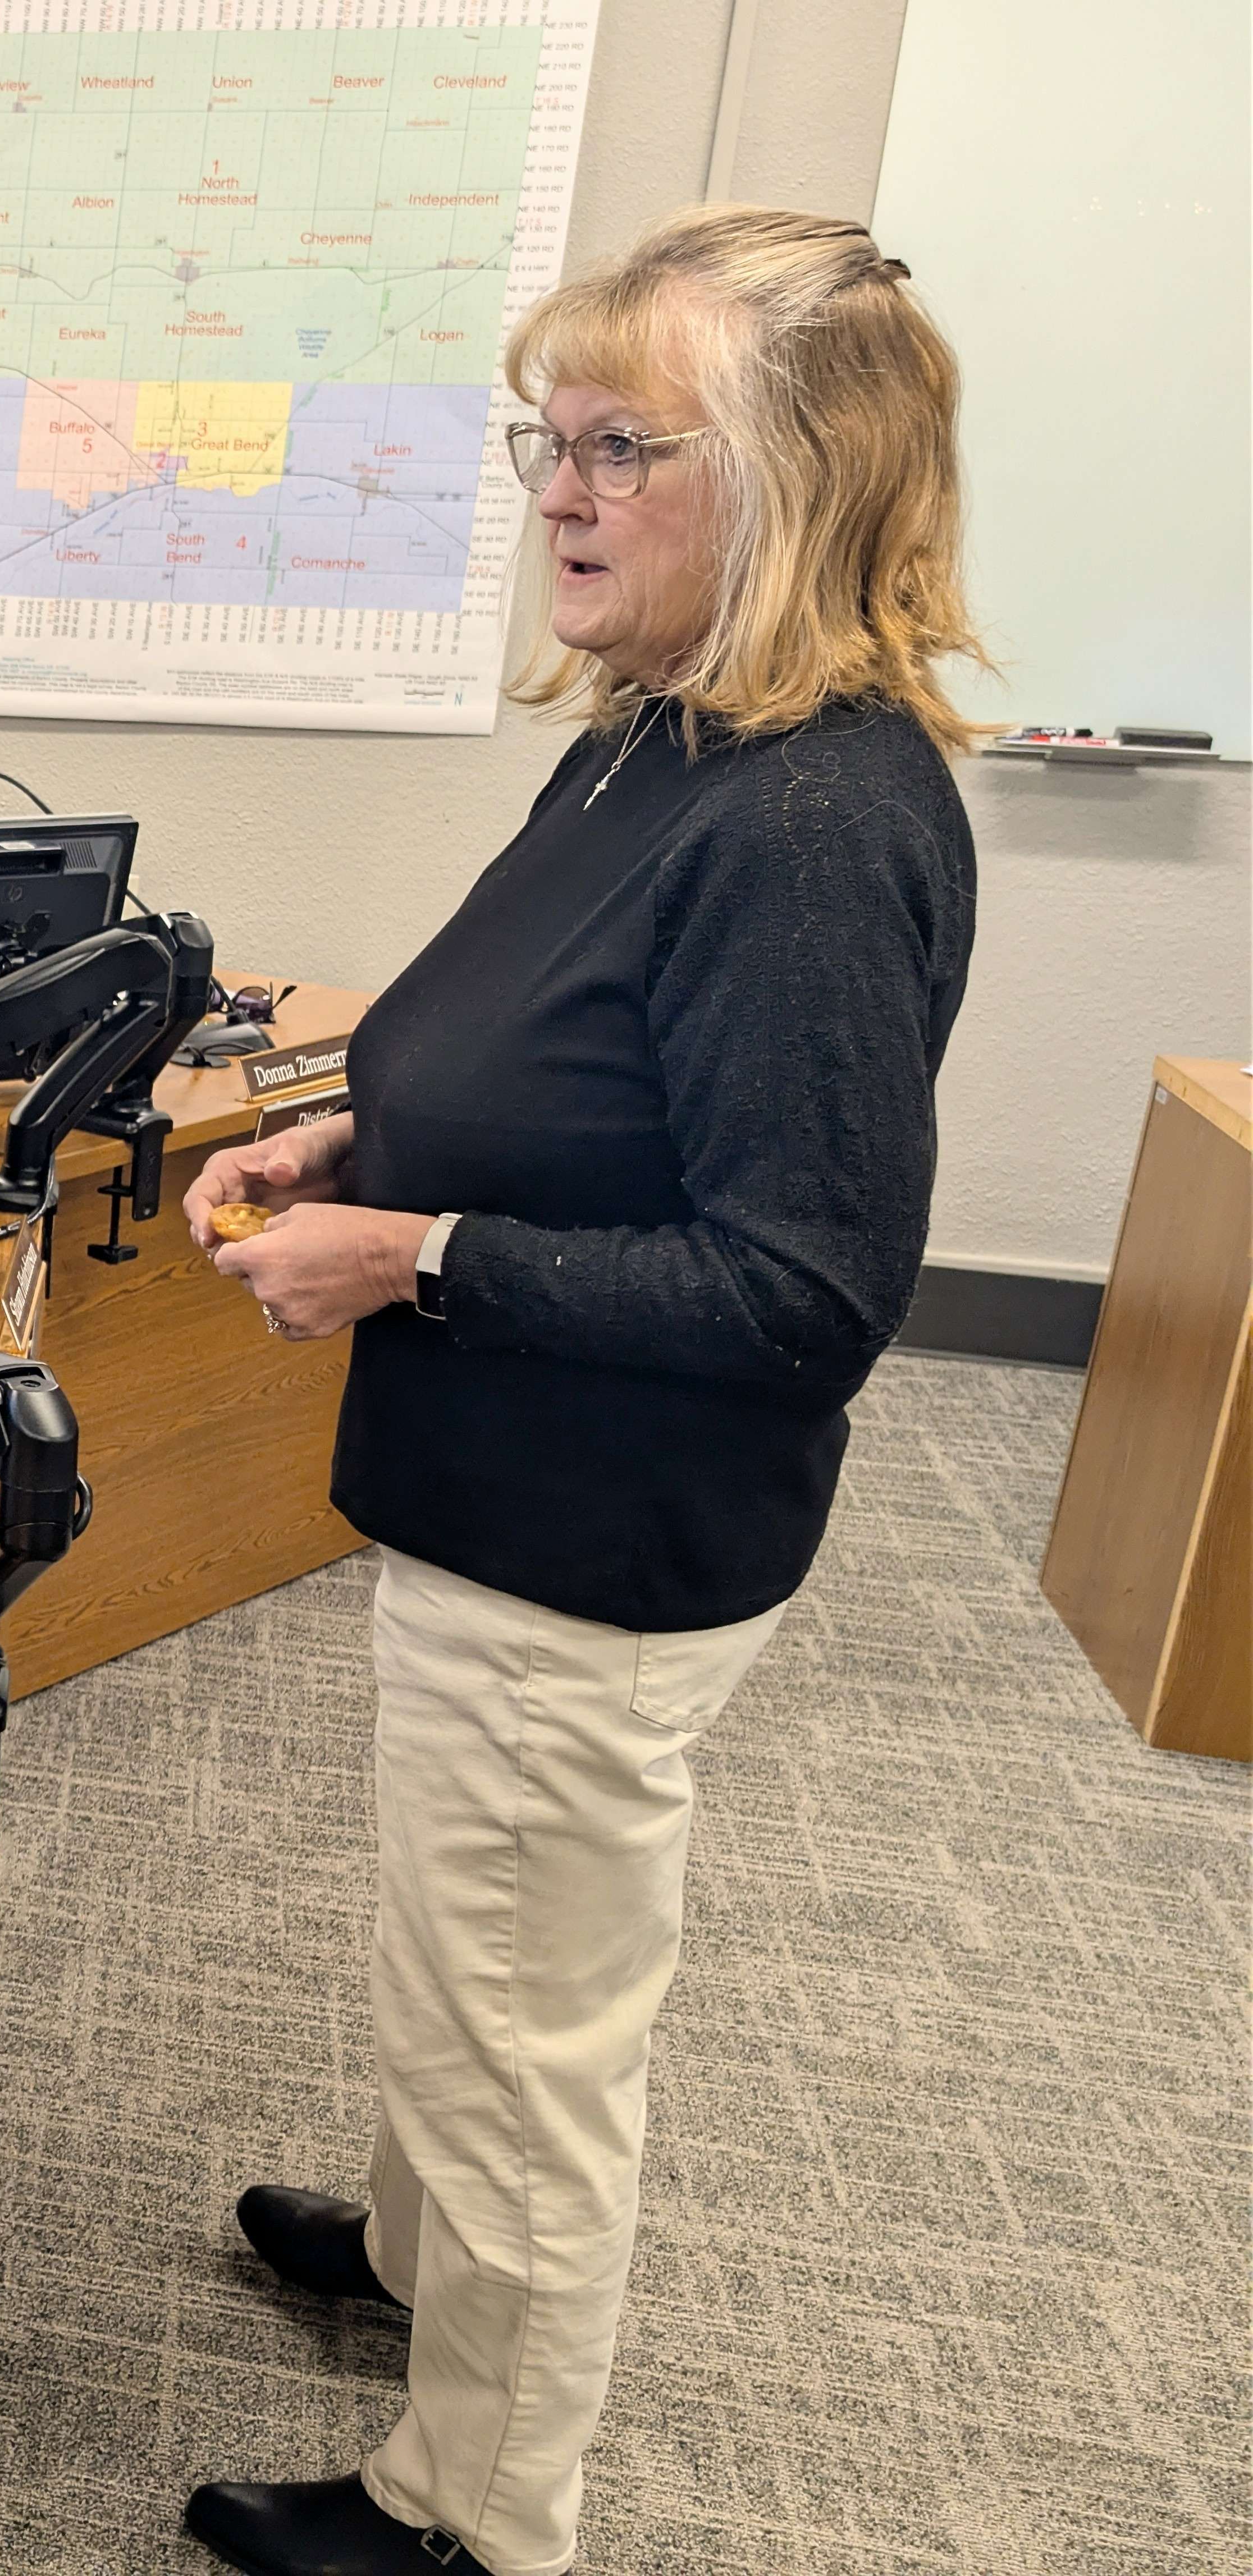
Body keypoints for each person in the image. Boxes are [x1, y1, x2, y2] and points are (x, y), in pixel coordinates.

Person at [178, 208, 981, 2576]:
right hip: (496, 1493)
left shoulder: (806, 828)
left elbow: (799, 1289)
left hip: (591, 1551)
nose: (558, 490)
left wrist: (411, 1249)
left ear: (800, 479)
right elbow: (571, 1081)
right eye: (546, 438)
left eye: (626, 447)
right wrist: (364, 1145)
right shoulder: (655, 739)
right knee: (465, 1955)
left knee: (520, 2037)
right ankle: (415, 2260)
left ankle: (469, 2517)